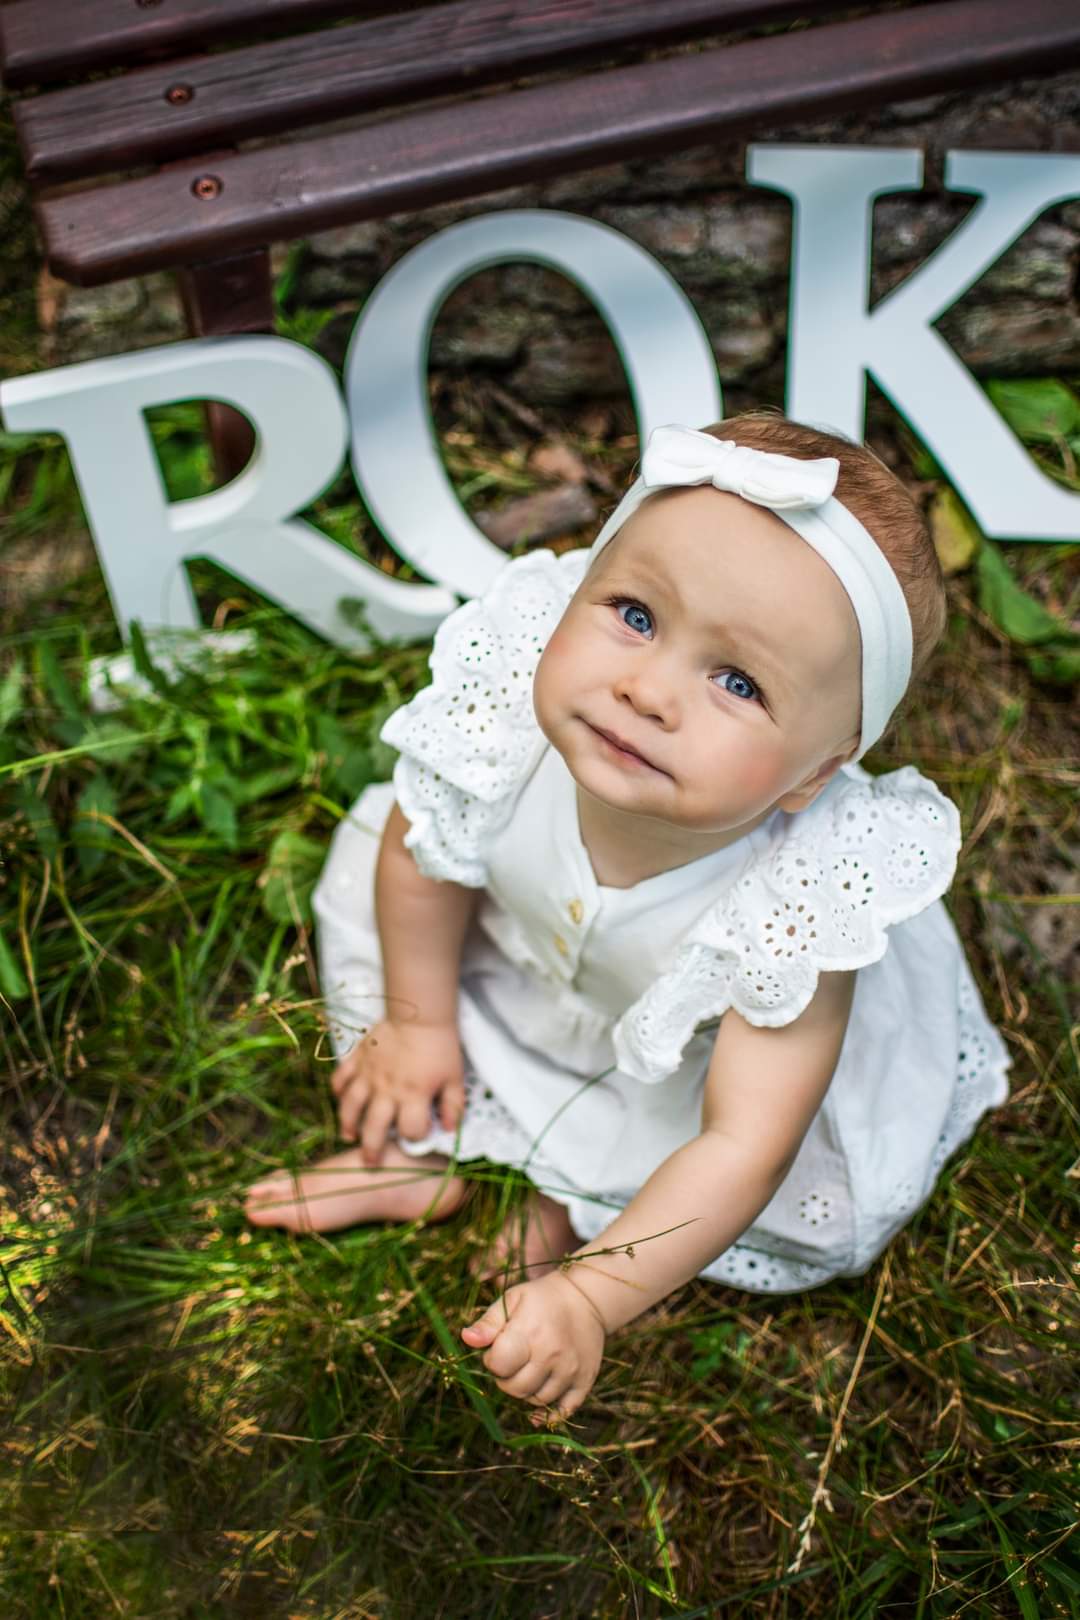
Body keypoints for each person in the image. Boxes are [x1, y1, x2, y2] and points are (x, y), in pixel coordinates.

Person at [245, 415, 1011, 1420]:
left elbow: (741, 1145)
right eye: (636, 615)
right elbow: (421, 864)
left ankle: (569, 1220)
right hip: (518, 966)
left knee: (698, 1169)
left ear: (815, 775)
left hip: (689, 1077)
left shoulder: (795, 915)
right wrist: (418, 1023)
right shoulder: (511, 735)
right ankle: (429, 1147)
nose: (647, 691)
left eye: (737, 682)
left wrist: (594, 1302)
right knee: (403, 861)